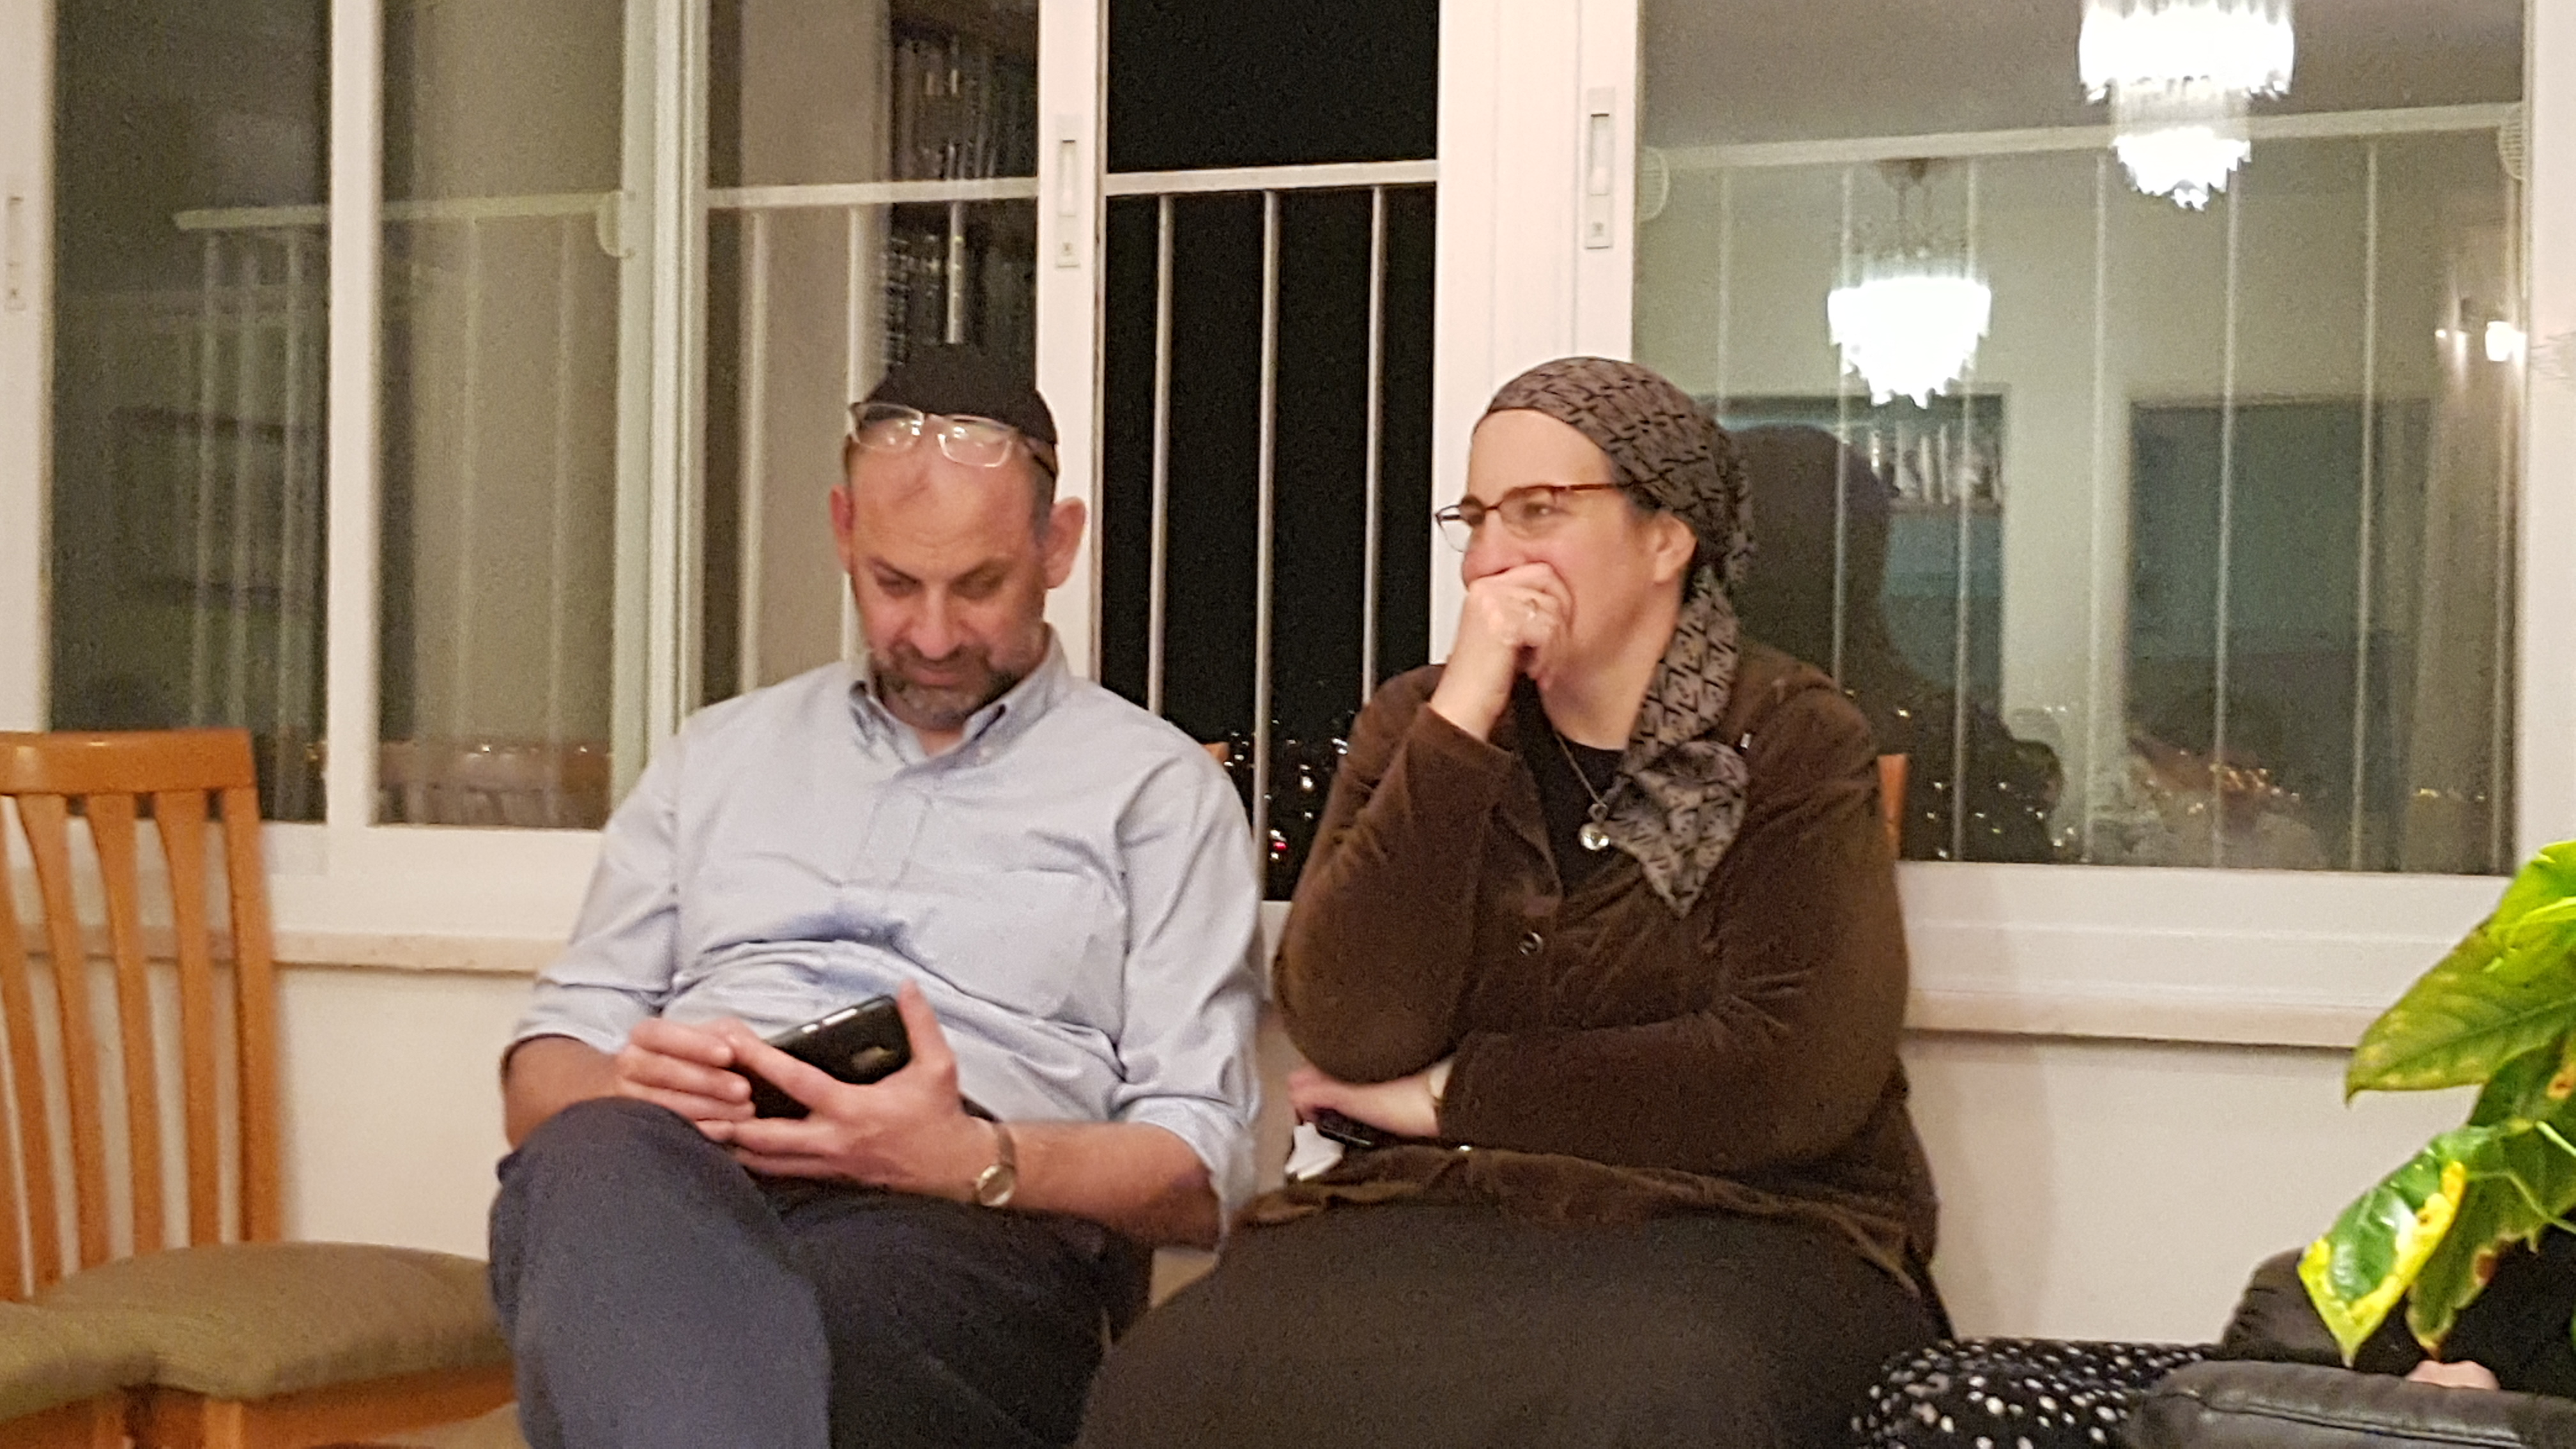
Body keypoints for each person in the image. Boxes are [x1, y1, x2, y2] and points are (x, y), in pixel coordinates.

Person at [1078, 357, 1944, 1449]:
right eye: (1477, 518)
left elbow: (1791, 1074)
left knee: (1656, 1400)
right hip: (1440, 1202)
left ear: (1667, 538)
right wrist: (1462, 723)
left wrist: (1452, 1096)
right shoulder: (1421, 722)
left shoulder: (1790, 735)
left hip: (1750, 1215)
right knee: (1179, 1372)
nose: (1491, 560)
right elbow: (1348, 1024)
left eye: (1538, 511)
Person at [487, 346, 1265, 1449]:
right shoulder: (720, 755)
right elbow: (543, 1073)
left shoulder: (1158, 794)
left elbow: (1201, 1173)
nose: (935, 637)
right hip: (687, 1189)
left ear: (1057, 545)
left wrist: (968, 1159)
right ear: (845, 530)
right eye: (896, 585)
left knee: (812, 1320)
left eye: (979, 587)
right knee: (588, 1158)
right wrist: (635, 1085)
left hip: (956, 1230)